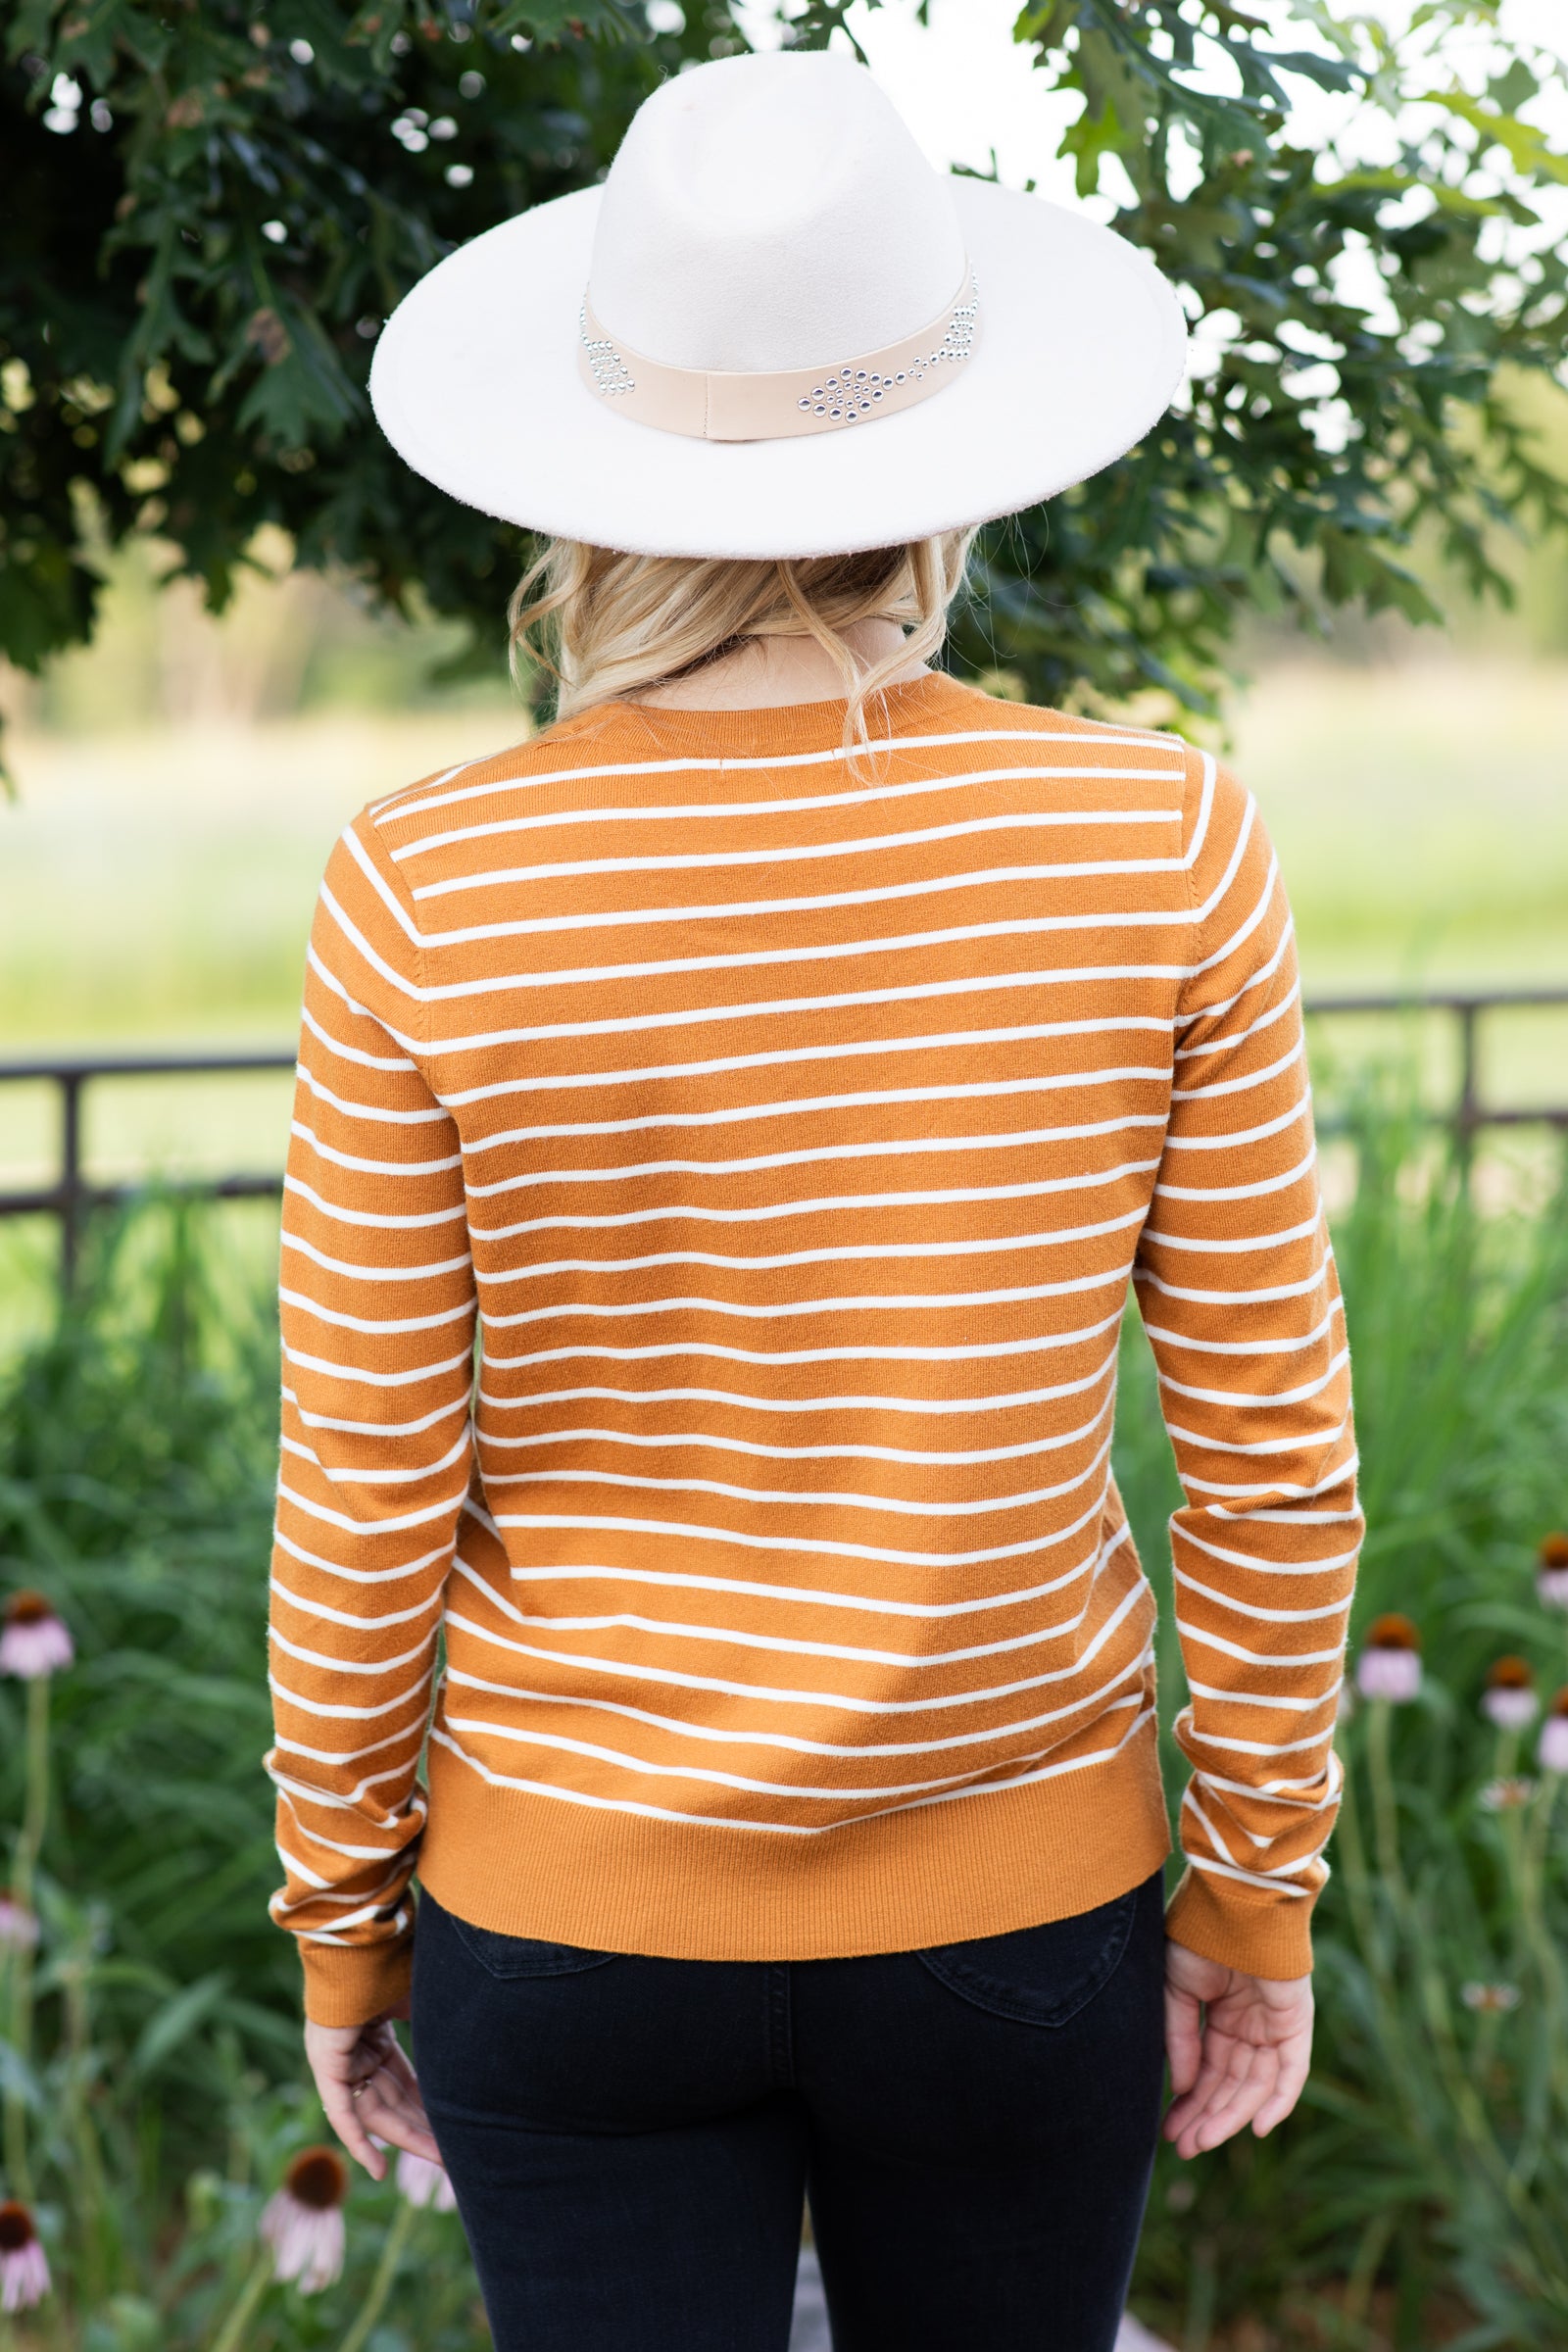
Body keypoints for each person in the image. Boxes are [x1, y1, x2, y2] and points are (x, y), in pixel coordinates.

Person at [266, 49, 1359, 2352]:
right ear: (941, 473)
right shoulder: (1158, 843)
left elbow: (366, 1475)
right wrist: (1251, 1898)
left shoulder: (422, 889)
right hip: (1018, 1929)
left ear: (591, 479)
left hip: (561, 1931)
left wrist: (346, 1928)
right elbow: (1264, 1429)